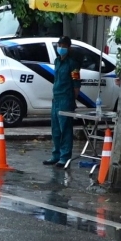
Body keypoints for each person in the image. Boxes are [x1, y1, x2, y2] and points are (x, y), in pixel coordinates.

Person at [43, 36, 81, 168]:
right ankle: (56, 155)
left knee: (65, 128)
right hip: (56, 97)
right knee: (55, 129)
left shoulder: (73, 63)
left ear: (68, 47)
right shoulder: (57, 61)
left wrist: (72, 99)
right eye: (60, 46)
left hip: (66, 98)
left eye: (64, 46)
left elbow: (76, 84)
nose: (61, 48)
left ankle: (65, 157)